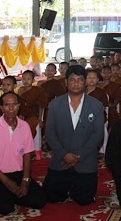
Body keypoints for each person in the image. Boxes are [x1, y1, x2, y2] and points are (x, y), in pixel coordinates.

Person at [43, 65, 105, 205]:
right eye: (72, 80)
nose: (76, 83)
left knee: (84, 201)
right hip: (61, 160)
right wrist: (64, 154)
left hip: (85, 161)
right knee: (51, 198)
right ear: (66, 82)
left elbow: (98, 134)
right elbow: (50, 132)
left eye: (80, 80)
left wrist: (79, 156)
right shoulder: (55, 104)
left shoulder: (96, 105)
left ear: (85, 82)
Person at [0, 92, 47, 215]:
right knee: (5, 209)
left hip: (18, 174)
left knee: (40, 201)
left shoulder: (24, 126)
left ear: (19, 105)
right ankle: (5, 193)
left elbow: (27, 155)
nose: (11, 108)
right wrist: (6, 181)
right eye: (7, 105)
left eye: (14, 104)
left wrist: (25, 181)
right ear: (1, 108)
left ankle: (13, 194)